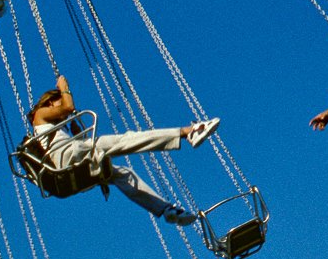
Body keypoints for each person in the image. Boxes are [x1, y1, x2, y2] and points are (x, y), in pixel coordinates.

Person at [24, 74, 219, 225]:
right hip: (65, 156)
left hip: (71, 159)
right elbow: (67, 107)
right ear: (50, 103)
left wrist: (74, 124)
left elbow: (79, 135)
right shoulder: (40, 115)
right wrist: (64, 88)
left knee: (124, 174)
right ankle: (188, 132)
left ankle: (166, 210)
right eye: (57, 101)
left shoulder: (58, 127)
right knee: (126, 140)